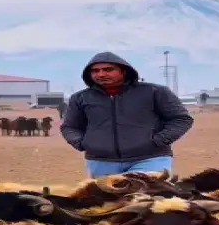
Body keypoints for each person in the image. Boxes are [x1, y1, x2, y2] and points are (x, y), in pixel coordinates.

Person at [60, 52, 193, 178]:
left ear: (124, 71)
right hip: (101, 162)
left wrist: (158, 140)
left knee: (146, 198)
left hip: (150, 158)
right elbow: (70, 126)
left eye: (108, 69)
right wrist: (84, 143)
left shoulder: (154, 92)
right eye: (95, 71)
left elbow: (181, 119)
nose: (101, 74)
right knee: (109, 201)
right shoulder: (80, 98)